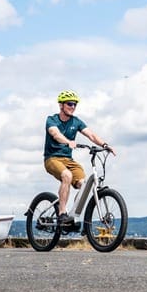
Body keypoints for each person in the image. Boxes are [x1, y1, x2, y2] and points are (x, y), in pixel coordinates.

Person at [44, 90, 115, 227]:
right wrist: (67, 141)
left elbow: (91, 135)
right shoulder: (51, 119)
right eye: (70, 104)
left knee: (84, 185)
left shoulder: (76, 121)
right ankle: (62, 214)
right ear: (61, 105)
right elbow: (55, 134)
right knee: (67, 175)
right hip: (52, 159)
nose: (72, 107)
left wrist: (105, 145)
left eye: (75, 104)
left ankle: (72, 216)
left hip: (68, 160)